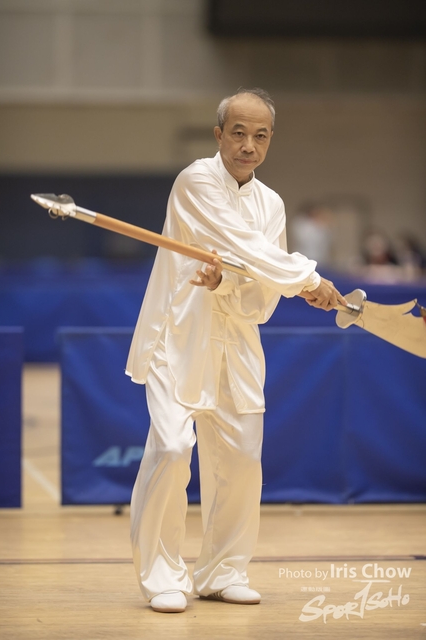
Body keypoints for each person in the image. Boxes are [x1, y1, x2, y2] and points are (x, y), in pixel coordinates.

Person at [126, 88, 346, 613]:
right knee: (172, 450)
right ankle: (162, 576)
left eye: (260, 136)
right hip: (180, 335)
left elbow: (260, 294)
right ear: (219, 134)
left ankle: (222, 571)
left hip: (239, 342)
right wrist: (308, 279)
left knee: (243, 459)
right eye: (239, 133)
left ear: (270, 140)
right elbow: (243, 247)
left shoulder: (272, 204)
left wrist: (225, 281)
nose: (249, 145)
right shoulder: (195, 181)